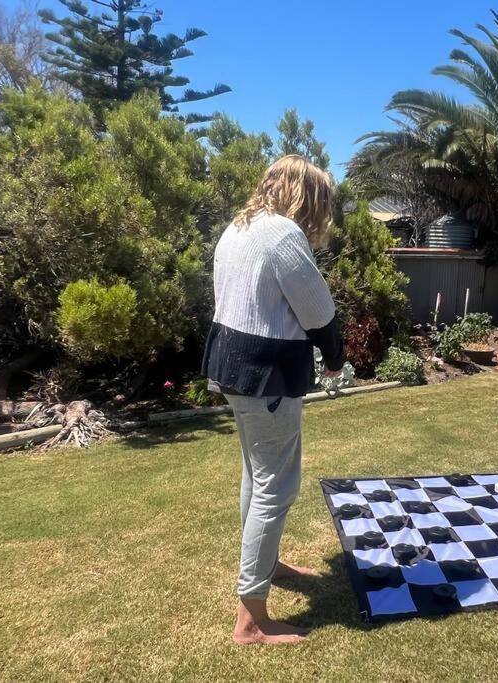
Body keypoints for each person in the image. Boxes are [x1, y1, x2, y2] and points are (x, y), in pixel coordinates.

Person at [201, 155, 344, 644]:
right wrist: (336, 358)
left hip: (232, 368)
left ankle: (269, 564)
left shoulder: (236, 229)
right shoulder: (283, 234)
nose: (320, 212)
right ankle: (251, 621)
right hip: (267, 376)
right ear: (305, 194)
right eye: (321, 201)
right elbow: (319, 311)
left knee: (256, 474)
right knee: (275, 486)